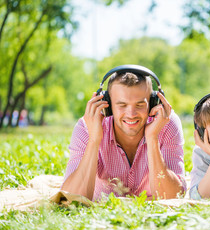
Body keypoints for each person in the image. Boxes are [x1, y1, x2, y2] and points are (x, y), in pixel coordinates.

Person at [61, 65, 186, 201]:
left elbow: (173, 198)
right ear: (107, 104)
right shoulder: (87, 126)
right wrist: (94, 139)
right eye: (122, 105)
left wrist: (152, 138)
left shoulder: (166, 122)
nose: (131, 114)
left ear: (153, 102)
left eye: (139, 105)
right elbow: (69, 199)